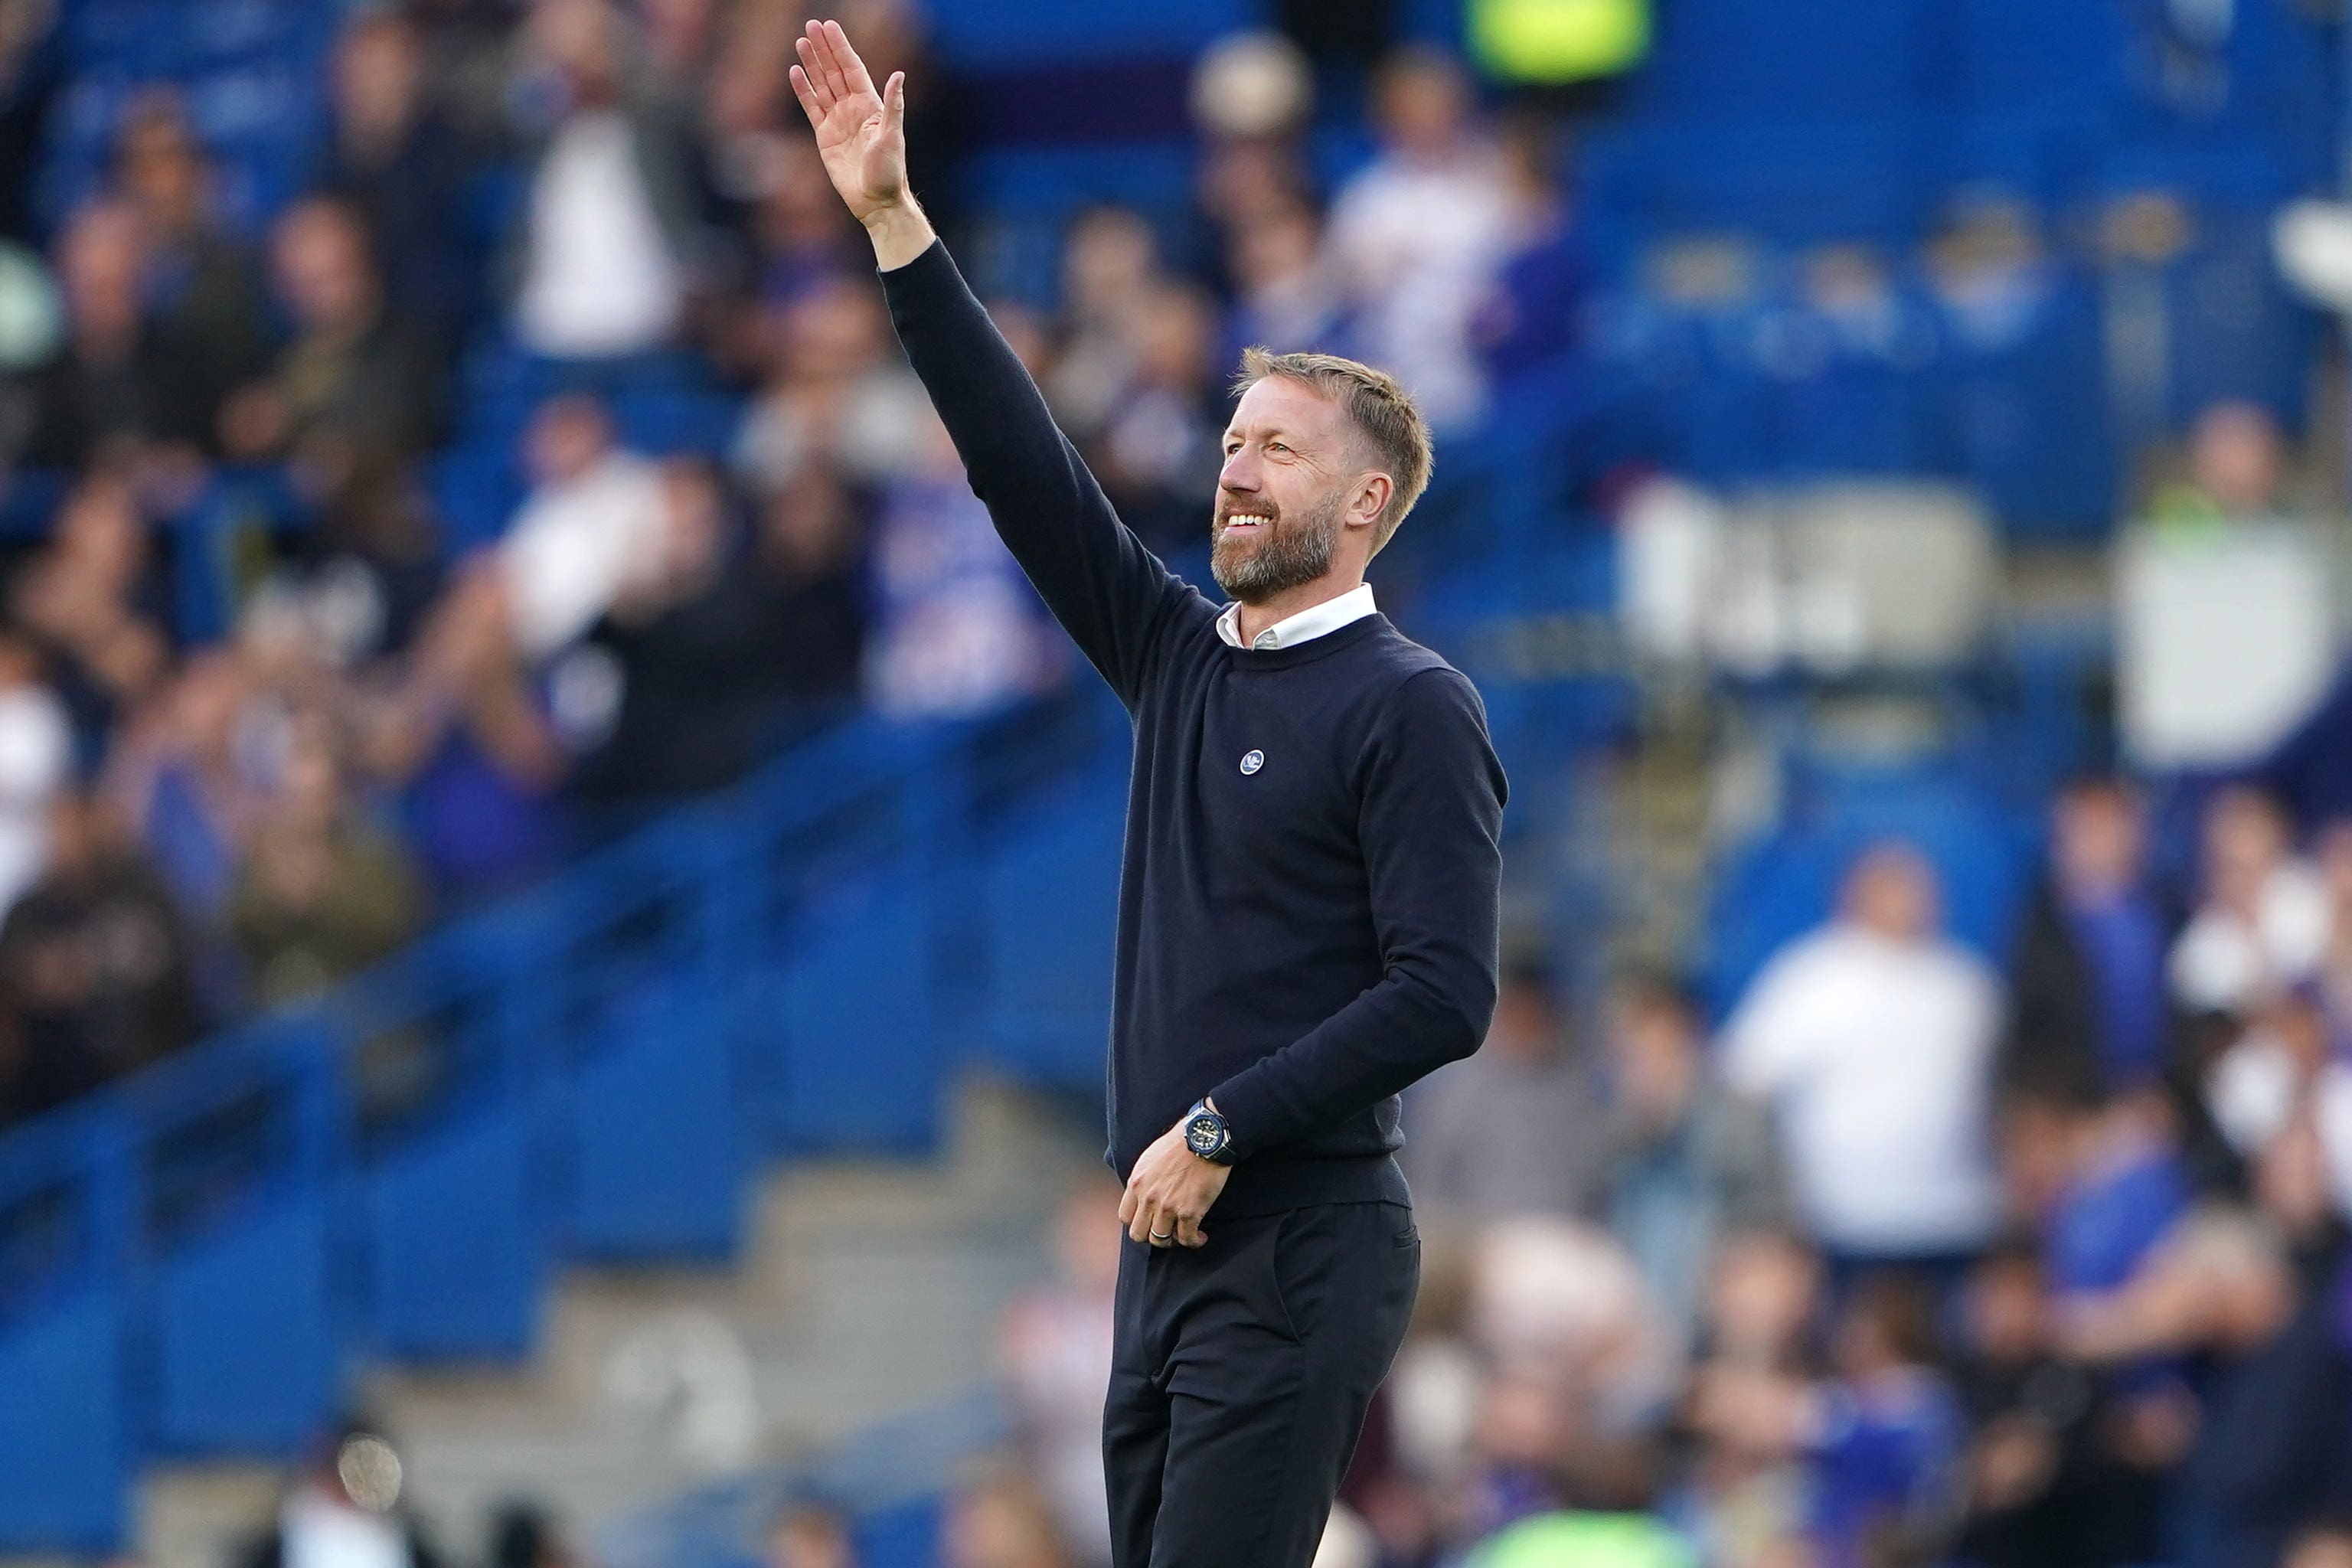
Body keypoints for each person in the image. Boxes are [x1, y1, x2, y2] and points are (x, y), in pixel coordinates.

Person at [790, 21, 1507, 1568]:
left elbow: (1446, 990)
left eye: (1282, 455)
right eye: (1235, 443)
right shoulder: (1182, 656)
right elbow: (1023, 470)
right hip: (1170, 1236)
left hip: (1296, 1229)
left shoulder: (1413, 705)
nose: (1238, 473)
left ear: (1366, 503)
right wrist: (898, 229)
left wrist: (1220, 1124)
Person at [1720, 842, 2002, 1271]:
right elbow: (1743, 1077)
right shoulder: (1812, 976)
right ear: (1855, 894)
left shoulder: (1966, 983)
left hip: (1953, 1212)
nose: (1910, 900)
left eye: (1920, 888)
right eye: (1894, 887)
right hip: (1838, 1217)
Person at [2003, 777, 2175, 1098]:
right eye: (2086, 828)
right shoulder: (2037, 930)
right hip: (2073, 1110)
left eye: (2111, 827)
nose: (2099, 842)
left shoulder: (2169, 913)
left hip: (2166, 1105)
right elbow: (2030, 1044)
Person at [1406, 959, 1606, 1226]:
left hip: (1562, 1240)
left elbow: (1595, 1185)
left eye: (1536, 1011)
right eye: (1519, 1010)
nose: (1527, 1021)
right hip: (1481, 1241)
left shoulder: (1576, 1090)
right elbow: (1426, 1184)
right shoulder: (1459, 1091)